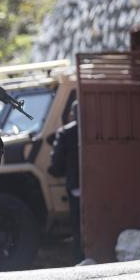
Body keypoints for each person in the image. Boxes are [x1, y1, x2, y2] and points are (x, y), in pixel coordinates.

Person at [48, 101, 84, 264]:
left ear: (72, 113)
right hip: (98, 184)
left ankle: (80, 257)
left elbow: (56, 162)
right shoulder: (96, 128)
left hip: (75, 184)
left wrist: (56, 172)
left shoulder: (65, 132)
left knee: (77, 224)